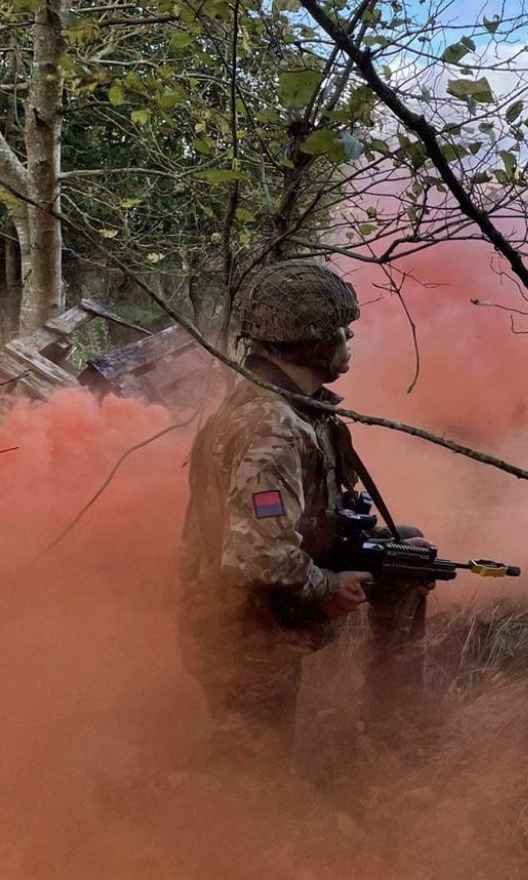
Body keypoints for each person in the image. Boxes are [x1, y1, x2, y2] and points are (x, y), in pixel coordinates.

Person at [178, 259, 429, 762]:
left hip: (260, 606)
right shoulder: (271, 427)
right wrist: (330, 586)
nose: (348, 341)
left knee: (410, 553)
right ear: (315, 341)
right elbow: (261, 556)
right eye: (343, 330)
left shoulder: (291, 406)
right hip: (243, 634)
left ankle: (393, 722)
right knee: (255, 786)